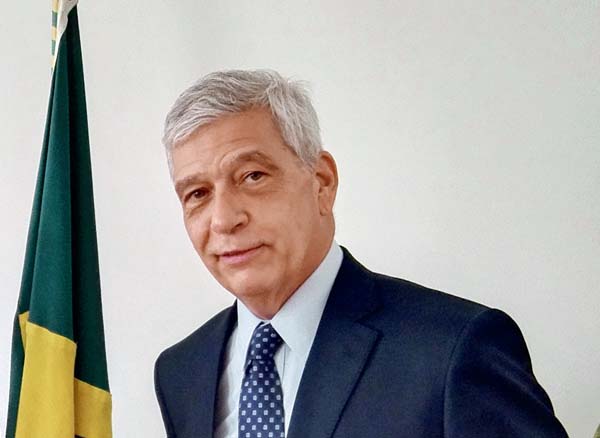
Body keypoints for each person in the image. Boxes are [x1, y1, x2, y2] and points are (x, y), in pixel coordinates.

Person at [154, 69, 568, 438]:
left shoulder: (453, 350)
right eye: (198, 194)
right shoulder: (182, 371)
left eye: (252, 176)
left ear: (321, 182)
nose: (224, 219)